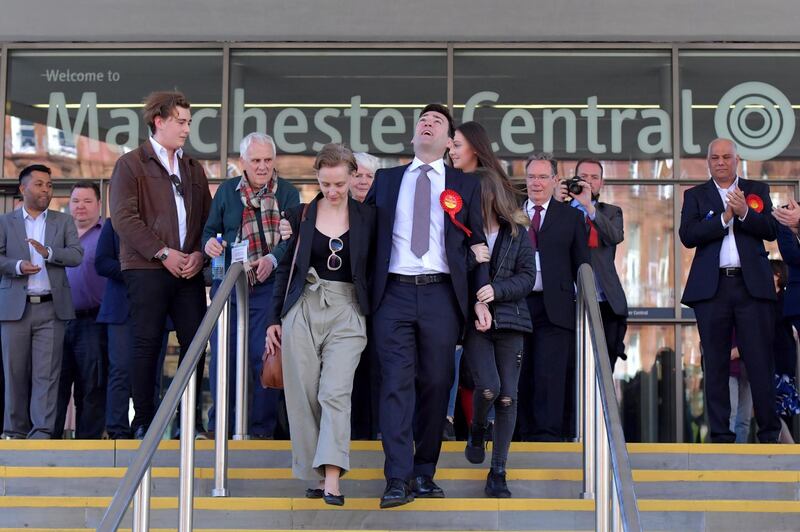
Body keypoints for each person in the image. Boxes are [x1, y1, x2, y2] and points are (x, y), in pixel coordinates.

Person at [366, 104, 491, 508]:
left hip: (441, 294)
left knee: (437, 383)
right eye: (422, 120)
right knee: (396, 384)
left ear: (449, 141)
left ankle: (424, 471)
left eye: (436, 122)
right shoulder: (386, 180)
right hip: (394, 294)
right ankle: (397, 477)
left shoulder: (465, 185)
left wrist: (481, 296)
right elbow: (362, 235)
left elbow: (478, 247)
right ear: (413, 135)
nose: (427, 124)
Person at [265, 143, 374, 506]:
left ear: (353, 176)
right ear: (317, 178)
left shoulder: (368, 217)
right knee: (303, 396)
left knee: (335, 392)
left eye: (340, 183)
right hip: (303, 306)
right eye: (326, 184)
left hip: (347, 308)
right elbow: (286, 268)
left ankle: (332, 479)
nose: (333, 191)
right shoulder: (300, 214)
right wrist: (273, 320)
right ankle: (315, 470)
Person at [110, 91, 212, 439]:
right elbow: (124, 219)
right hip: (147, 268)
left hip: (189, 270)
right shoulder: (131, 164)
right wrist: (163, 252)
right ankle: (144, 421)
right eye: (180, 121)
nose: (186, 129)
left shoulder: (193, 168)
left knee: (195, 343)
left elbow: (206, 220)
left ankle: (191, 422)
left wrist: (198, 253)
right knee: (146, 342)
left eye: (188, 122)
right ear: (159, 121)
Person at [679, 137, 780, 443]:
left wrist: (745, 213)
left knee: (760, 361)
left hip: (752, 289)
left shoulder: (756, 191)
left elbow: (771, 230)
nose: (720, 162)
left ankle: (769, 433)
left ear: (737, 159)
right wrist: (725, 218)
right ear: (708, 162)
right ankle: (720, 436)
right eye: (715, 158)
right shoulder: (695, 195)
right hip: (713, 290)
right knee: (716, 362)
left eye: (726, 157)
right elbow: (688, 235)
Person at [202, 132, 299, 439]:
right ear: (242, 162)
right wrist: (210, 246)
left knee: (265, 356)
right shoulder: (227, 192)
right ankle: (222, 427)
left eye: (267, 160)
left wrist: (272, 258)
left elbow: (293, 239)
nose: (262, 167)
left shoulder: (287, 193)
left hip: (269, 288)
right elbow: (210, 232)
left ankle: (261, 431)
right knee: (224, 358)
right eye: (255, 160)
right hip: (230, 285)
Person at [462, 167, 535, 497]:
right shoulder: (461, 232)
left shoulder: (518, 231)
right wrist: (469, 263)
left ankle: (498, 471)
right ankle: (477, 428)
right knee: (489, 389)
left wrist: (497, 290)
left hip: (512, 320)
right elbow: (450, 274)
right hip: (476, 323)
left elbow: (527, 277)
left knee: (508, 396)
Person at [0, 164, 83, 439]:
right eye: (39, 184)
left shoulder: (63, 221)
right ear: (23, 189)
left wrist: (48, 253)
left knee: (46, 376)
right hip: (15, 310)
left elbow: (76, 255)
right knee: (14, 374)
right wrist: (17, 266)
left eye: (48, 184)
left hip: (51, 308)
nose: (46, 189)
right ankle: (13, 431)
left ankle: (42, 432)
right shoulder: (5, 222)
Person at [516, 153, 590, 442]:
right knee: (519, 374)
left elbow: (582, 264)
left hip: (555, 308)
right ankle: (519, 434)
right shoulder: (510, 214)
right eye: (532, 176)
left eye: (543, 177)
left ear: (555, 180)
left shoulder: (570, 216)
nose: (536, 183)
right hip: (517, 305)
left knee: (551, 374)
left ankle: (547, 436)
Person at [554, 159, 628, 367]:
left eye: (594, 178)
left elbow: (615, 237)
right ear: (574, 179)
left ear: (601, 183)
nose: (588, 182)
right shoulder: (560, 210)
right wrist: (555, 204)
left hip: (605, 301)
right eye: (583, 177)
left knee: (604, 365)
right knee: (569, 366)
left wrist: (588, 206)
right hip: (569, 301)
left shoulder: (611, 212)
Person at [53, 182, 108, 439]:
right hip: (56, 321)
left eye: (87, 201)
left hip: (93, 321)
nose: (81, 206)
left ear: (99, 205)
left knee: (92, 387)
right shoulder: (57, 234)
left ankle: (89, 444)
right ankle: (48, 443)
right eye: (76, 201)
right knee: (55, 386)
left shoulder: (108, 233)